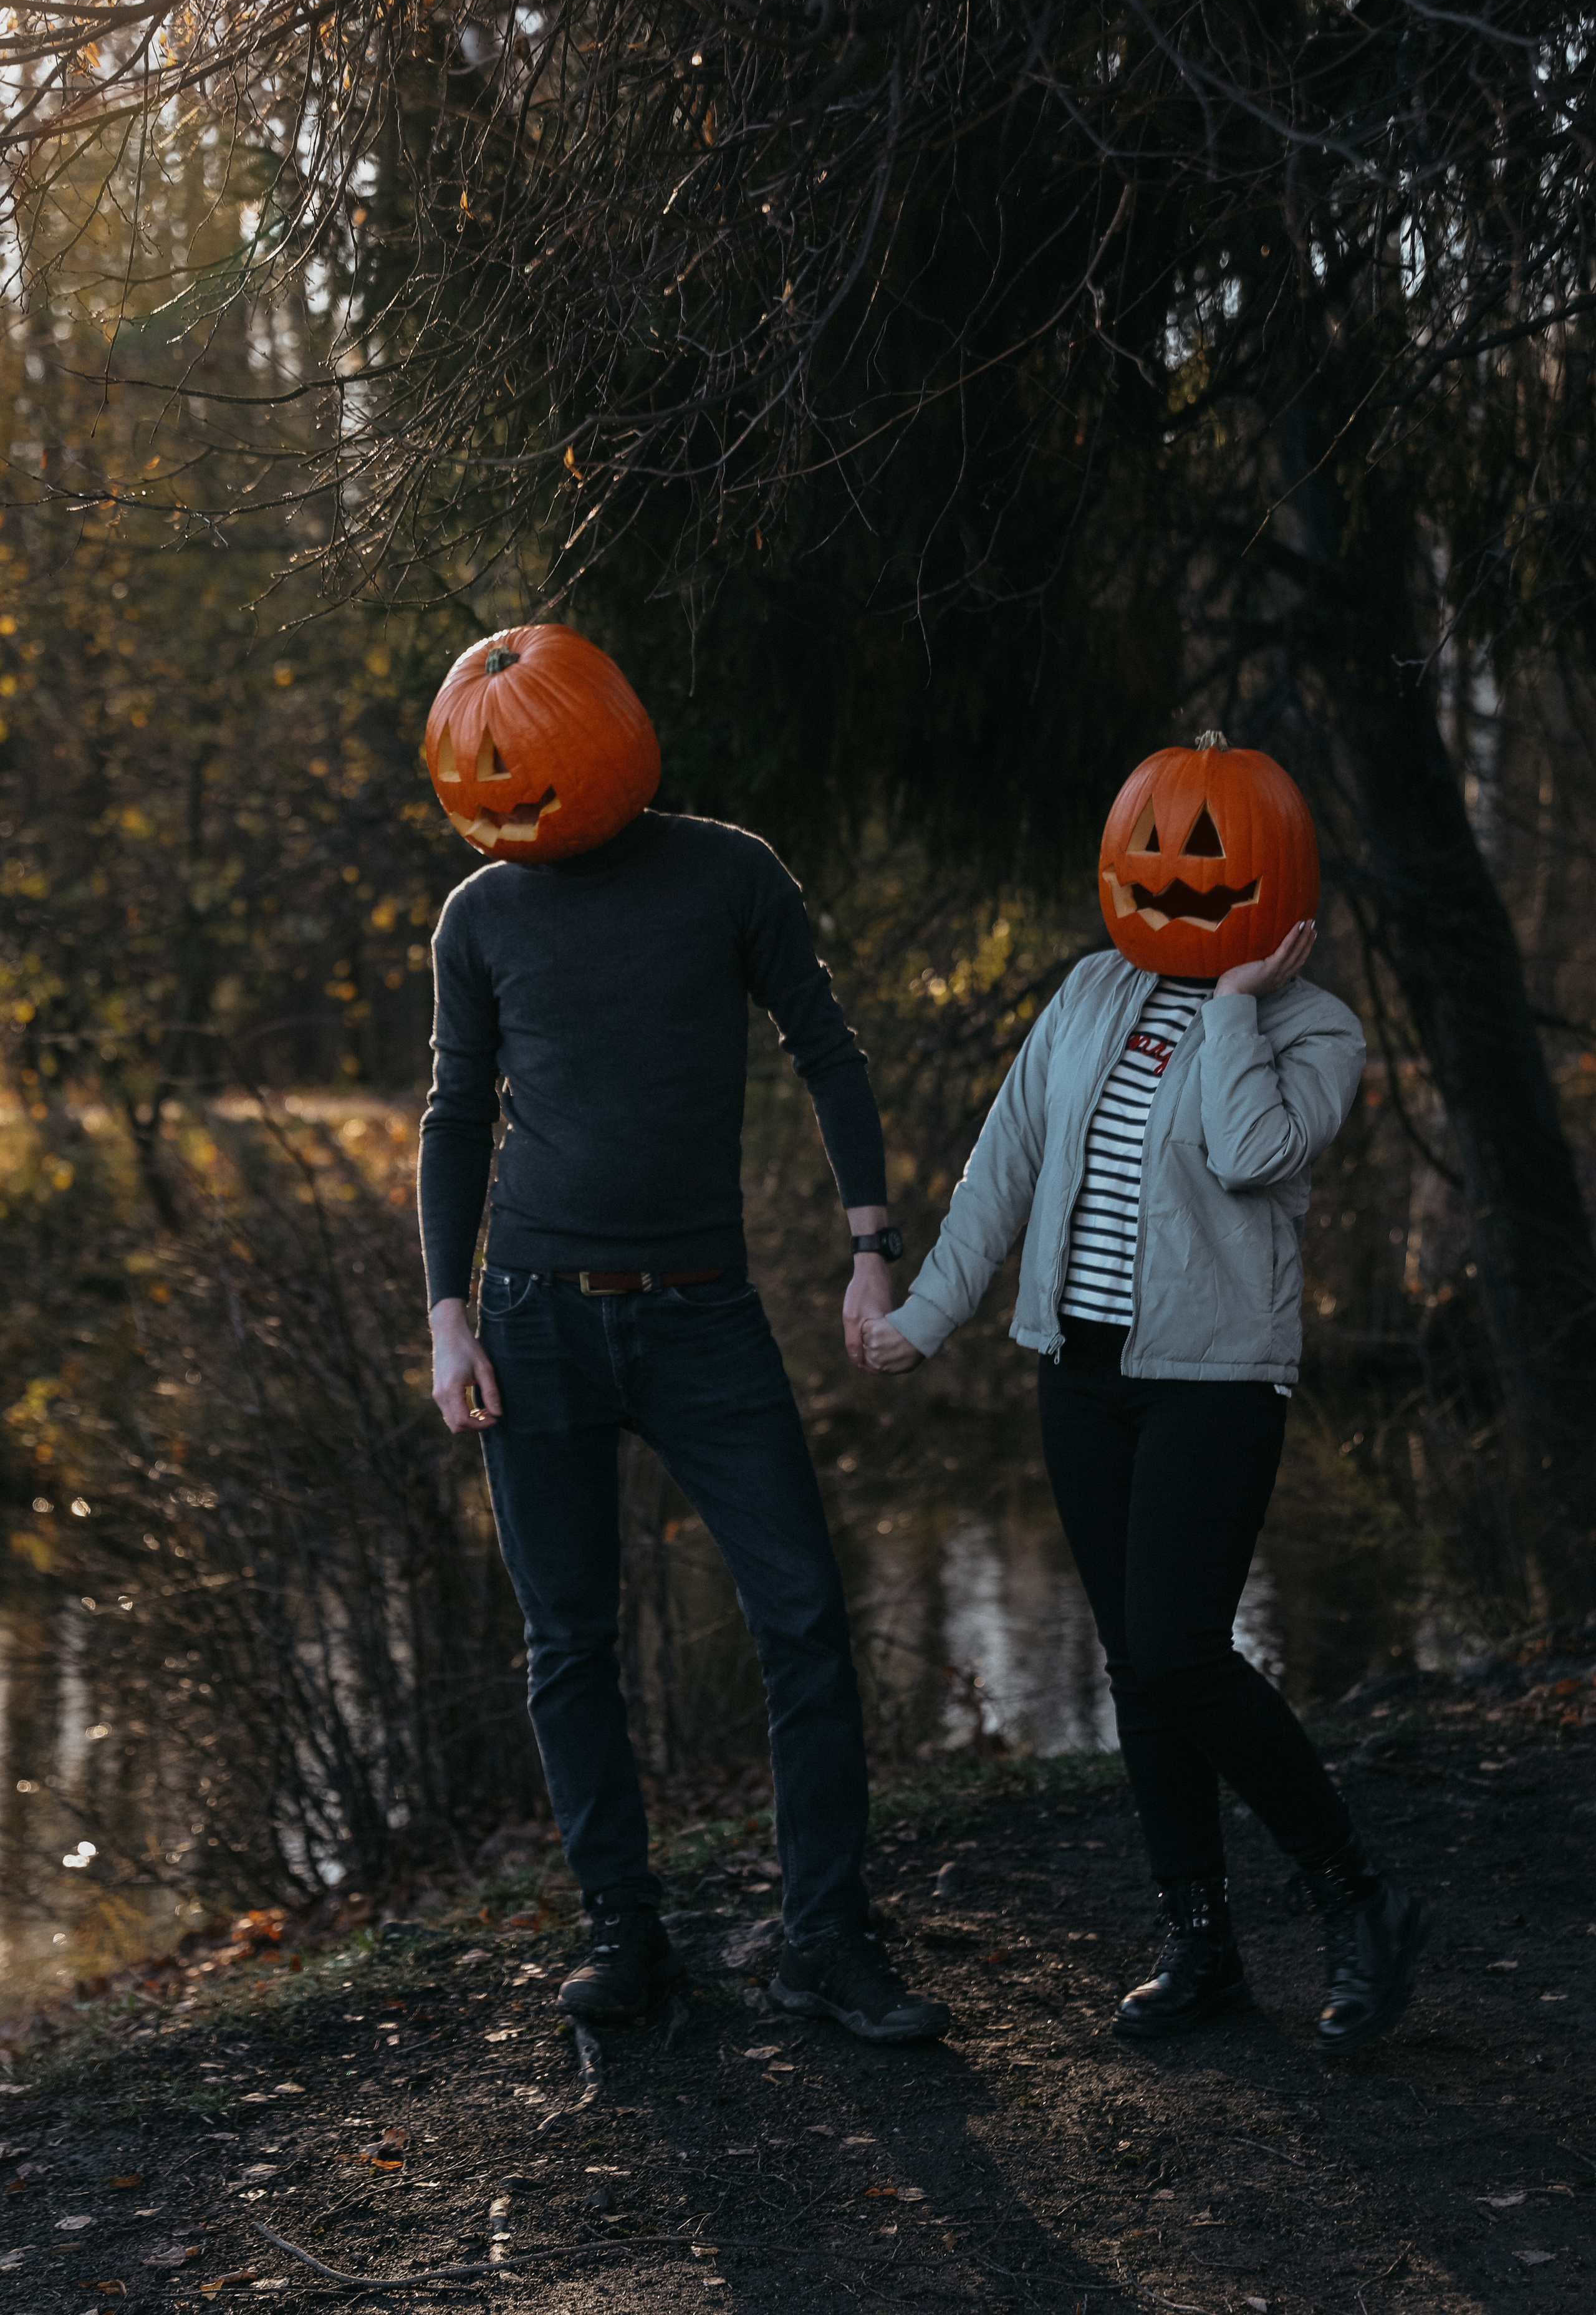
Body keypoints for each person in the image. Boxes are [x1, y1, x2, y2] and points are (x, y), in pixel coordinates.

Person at [418, 637, 948, 2044]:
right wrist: (446, 1320)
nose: (502, 783)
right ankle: (624, 1938)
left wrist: (867, 1252)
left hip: (705, 1310)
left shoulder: (728, 873)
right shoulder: (477, 916)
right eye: (477, 763)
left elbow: (825, 1047)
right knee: (567, 1644)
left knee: (803, 1622)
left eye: (527, 750)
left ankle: (822, 1940)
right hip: (532, 1321)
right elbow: (454, 1117)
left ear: (607, 731)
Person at [862, 906, 1428, 2055]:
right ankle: (1201, 1944)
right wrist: (926, 1314)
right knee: (1135, 1665)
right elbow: (1006, 1157)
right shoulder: (1089, 991)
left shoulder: (1316, 1028)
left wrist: (1230, 1006)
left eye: (1223, 866)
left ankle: (1359, 1900)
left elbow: (1253, 1154)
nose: (1192, 886)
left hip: (1213, 1379)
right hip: (1080, 1373)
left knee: (1182, 1652)